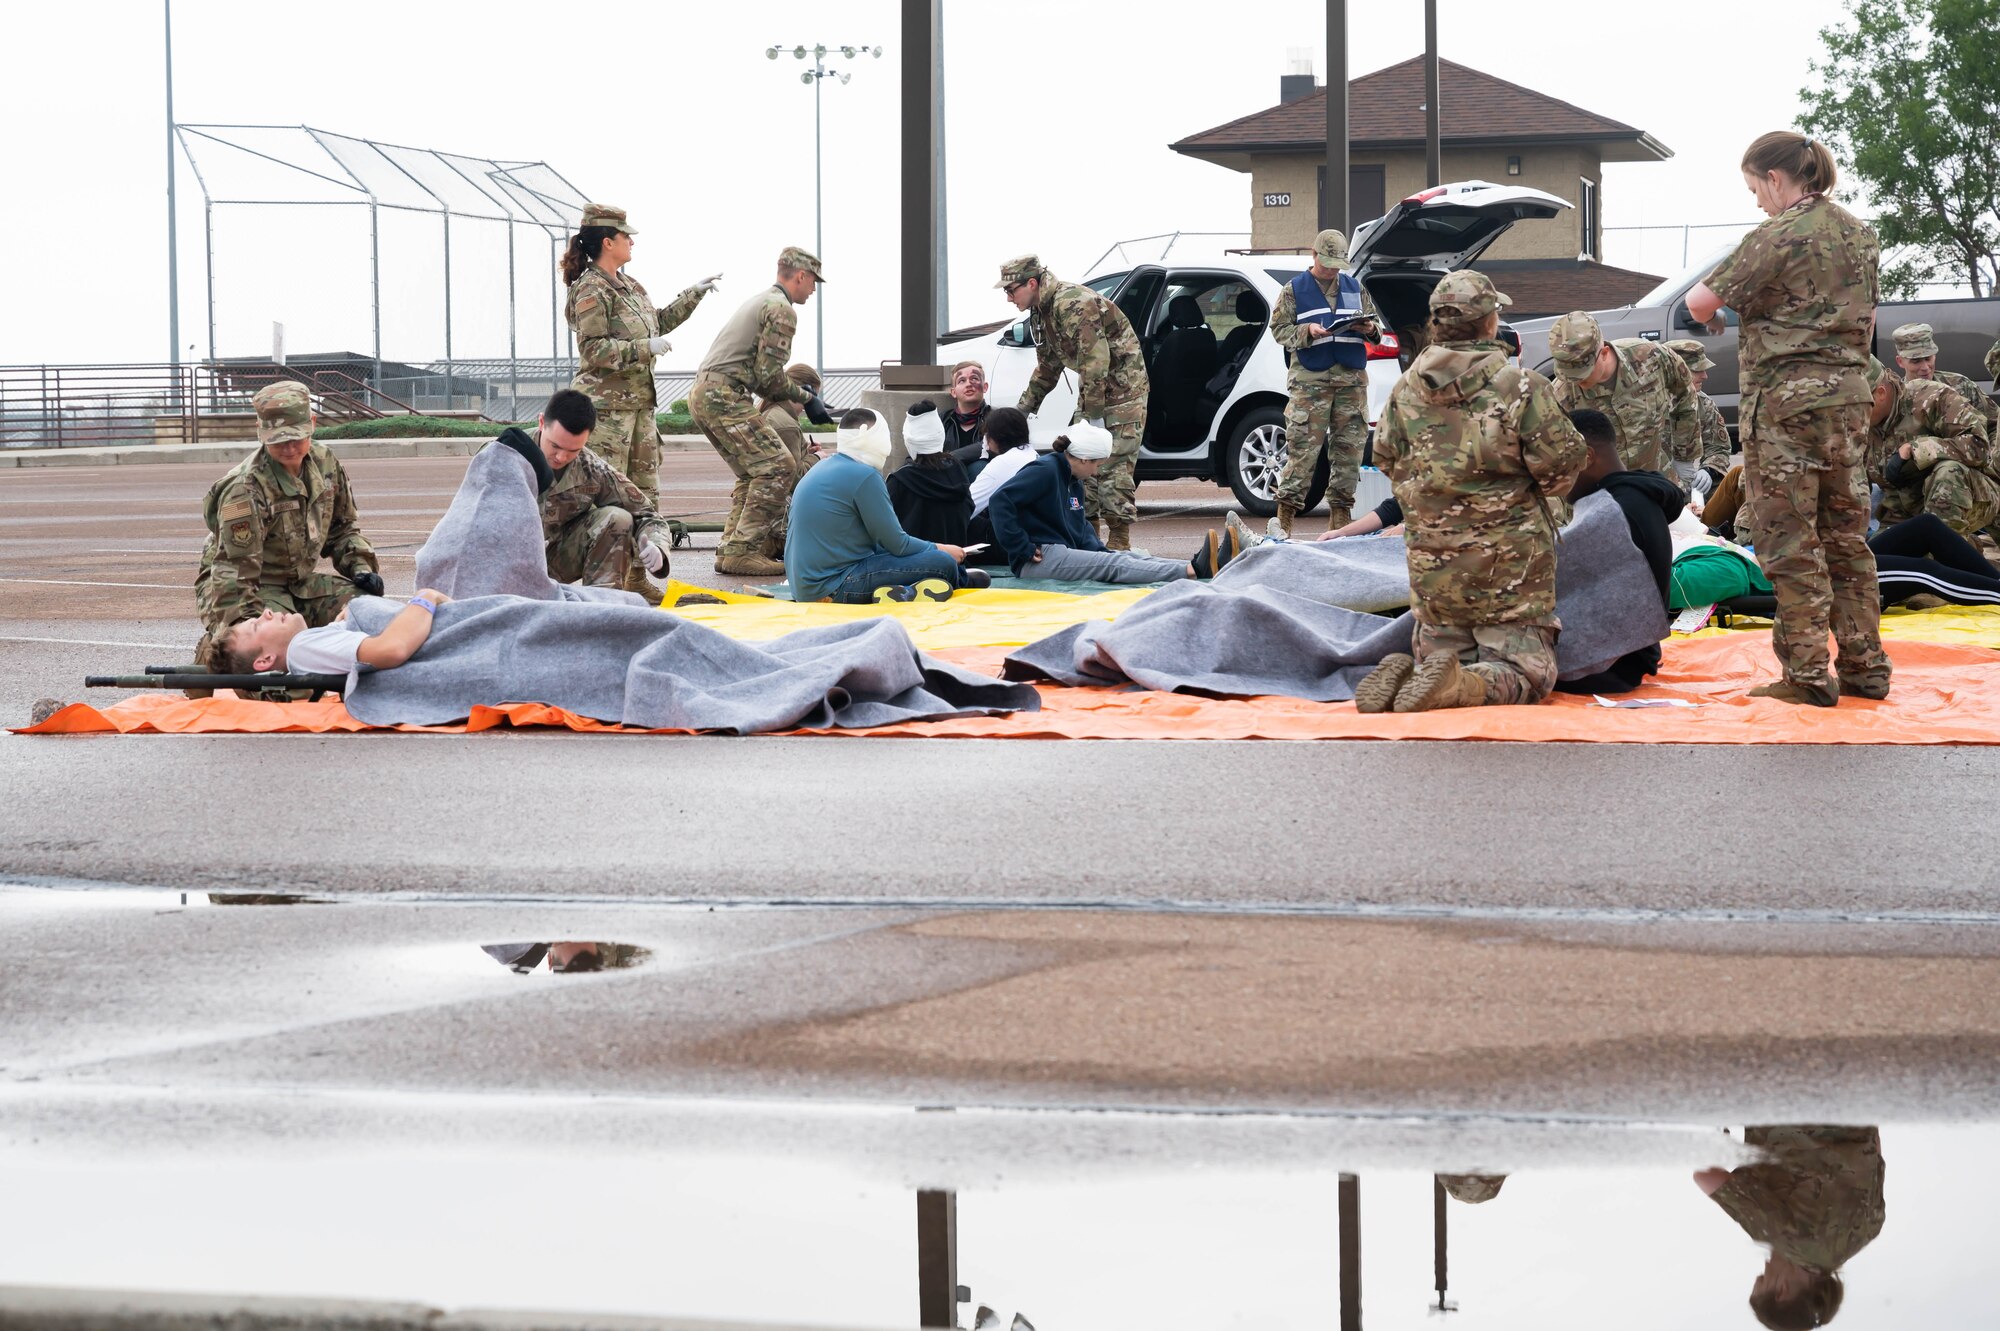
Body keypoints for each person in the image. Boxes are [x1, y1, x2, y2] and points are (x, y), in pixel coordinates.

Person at [1686, 131, 1890, 707]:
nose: (1756, 201)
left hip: (1784, 410)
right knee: (1848, 539)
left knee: (1791, 541)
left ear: (1776, 178)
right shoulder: (1860, 233)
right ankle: (1866, 669)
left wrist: (1733, 314)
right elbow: (1868, 315)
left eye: (1756, 188)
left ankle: (1805, 675)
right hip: (1848, 403)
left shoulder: (1773, 235)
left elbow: (1699, 304)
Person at [1354, 270, 1588, 714]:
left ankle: (1415, 673)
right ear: (1488, 322)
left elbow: (1383, 456)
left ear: (1438, 325)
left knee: (1444, 661)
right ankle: (1458, 683)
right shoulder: (1520, 387)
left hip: (1434, 574)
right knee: (1527, 674)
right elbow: (1561, 473)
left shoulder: (1406, 390)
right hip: (1509, 574)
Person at [194, 381, 382, 667]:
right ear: (261, 433)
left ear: (313, 424)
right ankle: (212, 655)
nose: (290, 447)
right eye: (279, 440)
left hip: (298, 583)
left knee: (371, 613)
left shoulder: (325, 463)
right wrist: (244, 633)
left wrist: (361, 567)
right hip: (245, 587)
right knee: (273, 665)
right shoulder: (245, 488)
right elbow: (233, 573)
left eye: (297, 436)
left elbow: (343, 529)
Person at [560, 203, 717, 538]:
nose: (632, 242)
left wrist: (693, 295)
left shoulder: (630, 286)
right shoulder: (591, 289)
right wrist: (645, 348)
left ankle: (636, 575)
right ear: (607, 242)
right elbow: (593, 349)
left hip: (640, 407)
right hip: (608, 413)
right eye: (625, 236)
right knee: (607, 497)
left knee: (645, 496)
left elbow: (656, 322)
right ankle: (605, 579)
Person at [692, 246, 838, 576]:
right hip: (724, 395)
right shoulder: (782, 309)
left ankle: (731, 548)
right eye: (813, 281)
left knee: (754, 470)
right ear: (801, 276)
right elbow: (769, 376)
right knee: (779, 466)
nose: (813, 289)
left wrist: (805, 397)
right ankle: (742, 551)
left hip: (707, 392)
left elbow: (759, 377)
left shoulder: (760, 300)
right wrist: (808, 398)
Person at [1000, 254, 1149, 550]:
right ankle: (1088, 540)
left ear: (1031, 283)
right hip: (1093, 393)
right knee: (1079, 464)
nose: (1008, 298)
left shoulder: (1074, 303)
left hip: (1122, 394)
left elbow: (1097, 361)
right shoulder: (1040, 312)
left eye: (1010, 290)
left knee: (1111, 467)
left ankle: (1119, 542)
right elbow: (1047, 367)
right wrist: (1021, 412)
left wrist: (1093, 419)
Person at [986, 422, 1242, 584]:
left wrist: (1098, 549)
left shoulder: (1072, 478)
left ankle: (1202, 566)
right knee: (1112, 566)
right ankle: (1192, 570)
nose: (1097, 472)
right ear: (1084, 459)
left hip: (1059, 551)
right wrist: (1021, 547)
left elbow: (1080, 527)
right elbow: (1001, 501)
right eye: (1097, 465)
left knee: (1123, 557)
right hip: (1038, 560)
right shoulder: (1044, 470)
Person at [784, 408, 987, 603]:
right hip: (835, 586)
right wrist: (942, 549)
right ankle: (957, 579)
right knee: (944, 563)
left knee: (922, 554)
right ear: (873, 438)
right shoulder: (864, 475)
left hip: (804, 587)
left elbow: (882, 543)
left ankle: (906, 591)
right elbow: (898, 544)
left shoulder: (822, 467)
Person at [488, 389, 675, 597]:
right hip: (500, 565)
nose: (561, 457)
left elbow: (647, 514)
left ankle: (601, 609)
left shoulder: (590, 467)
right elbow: (468, 517)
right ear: (542, 422)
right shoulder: (505, 452)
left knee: (618, 518)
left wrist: (657, 547)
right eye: (555, 446)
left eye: (573, 450)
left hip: (551, 561)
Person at [1696, 1126, 1884, 1330]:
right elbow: (1706, 1176)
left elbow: (1874, 1151)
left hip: (1851, 1107)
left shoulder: (1868, 1231)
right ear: (1781, 1291)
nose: (1766, 1264)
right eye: (1763, 1278)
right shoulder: (1785, 1240)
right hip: (1788, 1108)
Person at [1550, 410, 1683, 695]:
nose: (1553, 477)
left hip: (1605, 667)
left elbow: (1543, 568)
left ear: (1586, 455)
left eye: (1558, 462)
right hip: (1628, 656)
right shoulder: (1633, 496)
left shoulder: (1612, 509)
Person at [1268, 228, 1379, 536]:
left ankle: (1340, 520)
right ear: (1314, 255)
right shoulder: (1294, 290)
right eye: (1327, 261)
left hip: (1351, 382)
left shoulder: (1355, 287)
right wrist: (1308, 331)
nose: (1331, 269)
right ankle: (1284, 518)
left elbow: (1377, 330)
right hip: (1310, 384)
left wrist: (1368, 328)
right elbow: (1278, 330)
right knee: (1302, 451)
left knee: (1349, 452)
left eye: (1337, 263)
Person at [1548, 310, 1699, 482]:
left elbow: (1685, 396)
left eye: (1583, 373)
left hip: (1656, 478)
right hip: (1603, 492)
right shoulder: (1560, 395)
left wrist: (1684, 455)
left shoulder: (1652, 358)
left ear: (1604, 353)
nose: (1576, 381)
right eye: (1569, 375)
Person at [213, 587, 450, 692]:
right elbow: (391, 649)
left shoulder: (309, 643)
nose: (266, 613)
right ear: (265, 660)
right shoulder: (302, 648)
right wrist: (425, 597)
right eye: (257, 626)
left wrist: (348, 619)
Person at [1863, 354, 1999, 537]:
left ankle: (1946, 552)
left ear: (1880, 393)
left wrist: (1918, 450)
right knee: (1877, 561)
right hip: (1902, 511)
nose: (1851, 414)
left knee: (1948, 472)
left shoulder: (1931, 397)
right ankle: (1963, 553)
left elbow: (1979, 447)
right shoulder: (1857, 426)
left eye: (1858, 405)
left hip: (1972, 496)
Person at [885, 401, 973, 546]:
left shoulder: (899, 481)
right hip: (955, 561)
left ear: (908, 438)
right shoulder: (957, 469)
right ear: (940, 433)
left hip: (914, 563)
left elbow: (886, 529)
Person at [966, 407, 1042, 560]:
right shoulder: (1034, 455)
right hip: (1037, 536)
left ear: (996, 437)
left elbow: (966, 509)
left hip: (1016, 544)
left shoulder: (1003, 463)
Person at [1893, 321, 1997, 429]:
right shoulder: (1895, 400)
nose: (1925, 367)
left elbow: (1995, 423)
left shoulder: (1961, 386)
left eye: (1928, 358)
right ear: (1900, 361)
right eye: (1916, 361)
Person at [1666, 338, 1735, 490]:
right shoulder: (1648, 404)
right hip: (1652, 481)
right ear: (1676, 371)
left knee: (1734, 486)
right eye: (1697, 370)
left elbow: (1718, 447)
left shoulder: (1704, 403)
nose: (1705, 376)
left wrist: (1709, 470)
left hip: (1688, 483)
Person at [760, 362, 825, 479]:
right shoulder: (786, 425)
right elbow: (794, 478)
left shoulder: (772, 413)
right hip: (776, 496)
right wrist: (817, 458)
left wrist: (805, 454)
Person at [943, 360, 995, 464]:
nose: (969, 384)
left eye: (974, 378)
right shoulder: (942, 421)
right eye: (961, 380)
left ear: (985, 387)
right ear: (953, 392)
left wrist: (950, 457)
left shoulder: (996, 418)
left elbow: (990, 445)